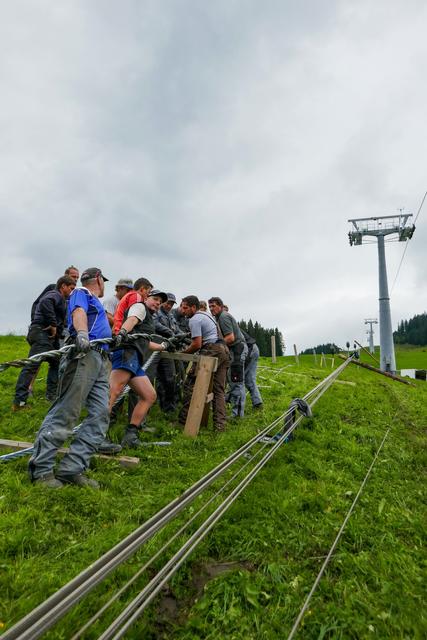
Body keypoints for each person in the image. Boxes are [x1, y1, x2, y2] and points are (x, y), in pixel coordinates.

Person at [28, 267, 112, 489]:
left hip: (102, 359)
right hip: (84, 355)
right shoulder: (82, 293)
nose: (105, 286)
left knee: (100, 414)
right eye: (104, 281)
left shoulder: (96, 302)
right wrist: (82, 333)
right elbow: (78, 313)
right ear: (98, 279)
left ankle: (72, 468)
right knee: (67, 411)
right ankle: (41, 470)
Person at [108, 281, 170, 448]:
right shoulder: (139, 307)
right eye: (155, 298)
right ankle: (96, 435)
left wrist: (163, 346)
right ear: (145, 297)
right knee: (113, 393)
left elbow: (145, 342)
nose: (158, 303)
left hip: (135, 358)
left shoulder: (149, 318)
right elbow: (132, 320)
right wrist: (122, 332)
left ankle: (130, 436)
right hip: (126, 352)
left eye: (160, 301)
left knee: (149, 395)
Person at [12, 276, 76, 409]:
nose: (72, 291)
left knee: (55, 362)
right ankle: (19, 402)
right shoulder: (54, 294)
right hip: (41, 332)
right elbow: (45, 302)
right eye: (71, 288)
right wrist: (53, 323)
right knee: (32, 365)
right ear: (63, 286)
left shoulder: (62, 300)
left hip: (49, 337)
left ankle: (51, 396)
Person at [178, 296, 230, 432]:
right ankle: (220, 426)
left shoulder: (195, 319)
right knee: (218, 390)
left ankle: (183, 422)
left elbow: (196, 344)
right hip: (224, 350)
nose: (182, 311)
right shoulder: (206, 315)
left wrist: (184, 352)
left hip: (211, 350)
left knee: (190, 384)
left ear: (193, 307)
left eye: (185, 308)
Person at [208, 297, 248, 418]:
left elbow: (230, 338)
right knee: (234, 381)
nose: (211, 309)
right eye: (210, 307)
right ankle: (237, 412)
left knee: (237, 382)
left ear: (220, 306)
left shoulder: (223, 317)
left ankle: (238, 415)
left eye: (213, 306)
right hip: (234, 350)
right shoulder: (219, 317)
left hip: (237, 350)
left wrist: (216, 345)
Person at [153, 293, 182, 413]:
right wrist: (170, 332)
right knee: (158, 379)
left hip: (168, 350)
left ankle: (169, 407)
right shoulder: (155, 312)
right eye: (168, 302)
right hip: (156, 349)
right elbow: (155, 325)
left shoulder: (170, 316)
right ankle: (162, 406)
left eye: (171, 304)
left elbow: (177, 329)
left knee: (170, 379)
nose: (169, 305)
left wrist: (184, 335)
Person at [241, 329, 263, 409]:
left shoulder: (223, 322)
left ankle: (238, 408)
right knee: (249, 379)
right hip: (253, 348)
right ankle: (257, 403)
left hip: (249, 350)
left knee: (239, 379)